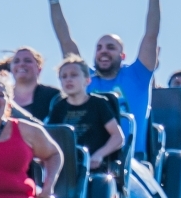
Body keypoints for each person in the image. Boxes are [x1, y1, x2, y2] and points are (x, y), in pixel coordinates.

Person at [50, 0, 161, 158]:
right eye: (99, 48)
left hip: (132, 160)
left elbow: (151, 35)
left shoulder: (137, 75)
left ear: (122, 55)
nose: (103, 51)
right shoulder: (85, 78)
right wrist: (54, 3)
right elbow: (65, 40)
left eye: (111, 47)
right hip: (89, 159)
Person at [46, 53, 126, 173]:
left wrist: (99, 155)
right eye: (64, 76)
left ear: (87, 80)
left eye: (74, 75)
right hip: (66, 169)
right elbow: (49, 138)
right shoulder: (58, 108)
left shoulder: (99, 103)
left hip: (96, 169)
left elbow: (118, 137)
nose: (68, 79)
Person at [0, 46, 59, 119]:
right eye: (16, 61)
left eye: (27, 61)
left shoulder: (54, 96)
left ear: (39, 69)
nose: (21, 64)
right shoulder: (0, 95)